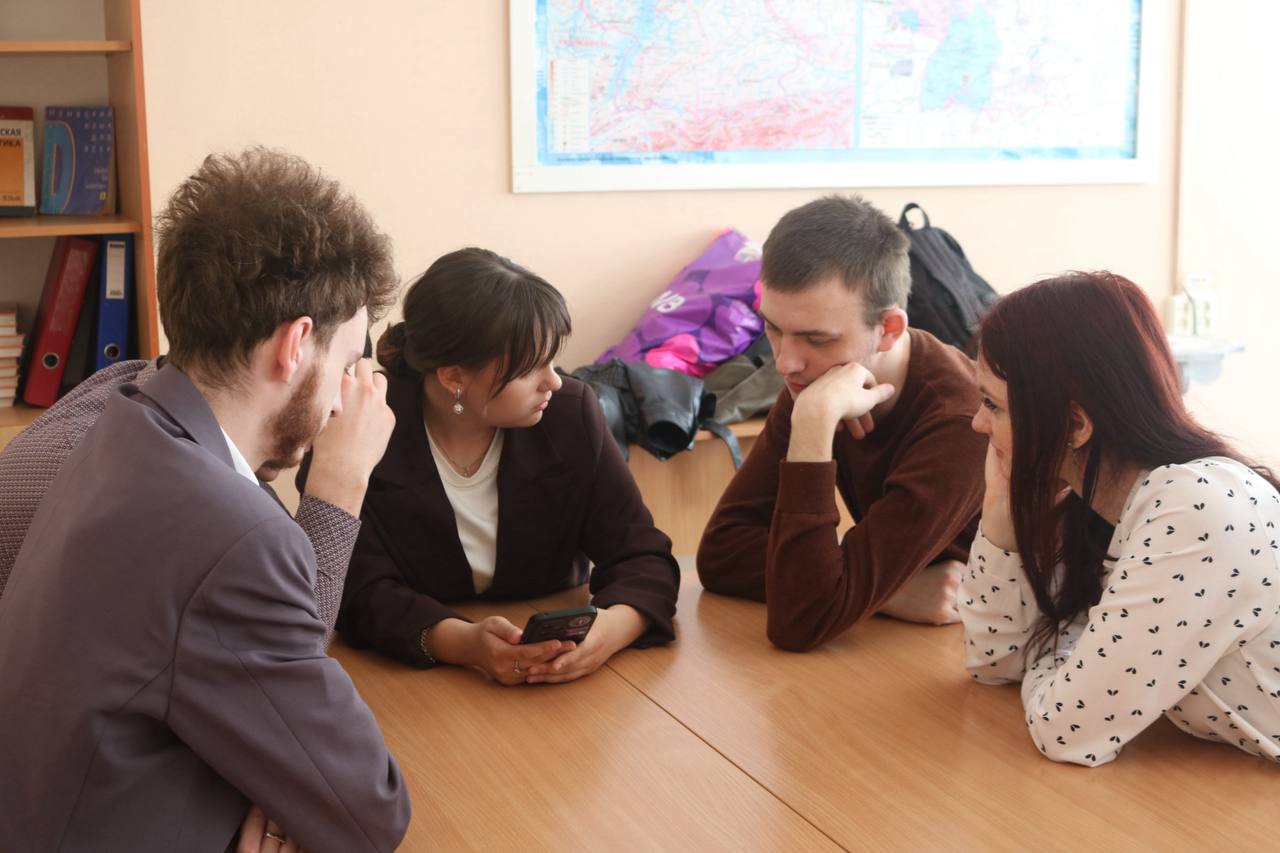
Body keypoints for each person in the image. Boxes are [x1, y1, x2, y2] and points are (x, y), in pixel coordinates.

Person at [0, 148, 411, 851]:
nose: (343, 402)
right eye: (345, 364)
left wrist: (281, 783)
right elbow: (369, 811)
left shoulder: (119, 418)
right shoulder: (232, 535)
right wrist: (341, 486)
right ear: (295, 345)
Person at [962, 271, 1280, 767]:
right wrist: (1001, 519)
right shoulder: (1102, 505)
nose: (977, 423)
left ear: (1075, 424)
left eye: (992, 404)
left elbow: (1066, 729)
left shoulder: (1195, 509)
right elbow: (995, 662)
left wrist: (1067, 650)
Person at [321, 247, 679, 685]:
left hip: (563, 669)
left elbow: (642, 554)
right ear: (454, 377)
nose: (553, 381)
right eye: (532, 368)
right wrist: (463, 643)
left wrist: (612, 629)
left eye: (552, 360)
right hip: (419, 682)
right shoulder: (362, 424)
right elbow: (354, 590)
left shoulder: (570, 413)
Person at [696, 195, 987, 650]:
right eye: (774, 328)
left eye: (817, 339)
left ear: (889, 329)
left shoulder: (960, 421)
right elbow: (721, 553)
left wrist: (811, 430)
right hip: (914, 640)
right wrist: (885, 595)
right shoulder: (817, 385)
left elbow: (803, 618)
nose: (786, 362)